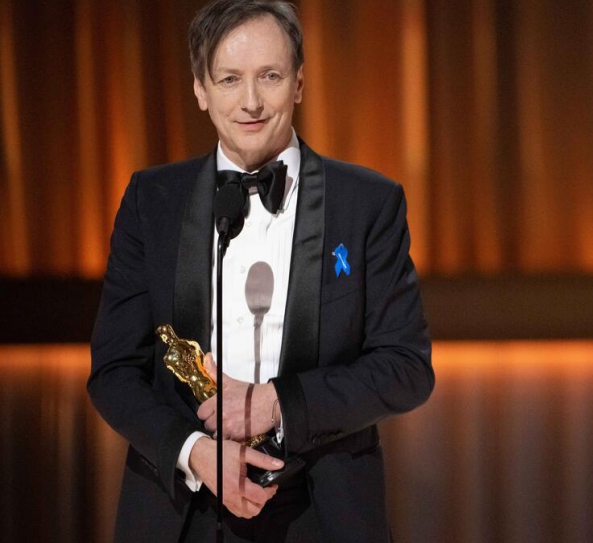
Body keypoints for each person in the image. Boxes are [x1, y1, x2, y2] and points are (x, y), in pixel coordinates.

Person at [88, 0, 434, 540]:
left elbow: (406, 368)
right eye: (229, 79)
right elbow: (113, 371)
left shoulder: (367, 203)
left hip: (323, 511)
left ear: (298, 82)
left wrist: (278, 404)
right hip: (182, 511)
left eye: (269, 76)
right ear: (200, 90)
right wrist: (194, 451)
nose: (250, 101)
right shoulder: (150, 201)